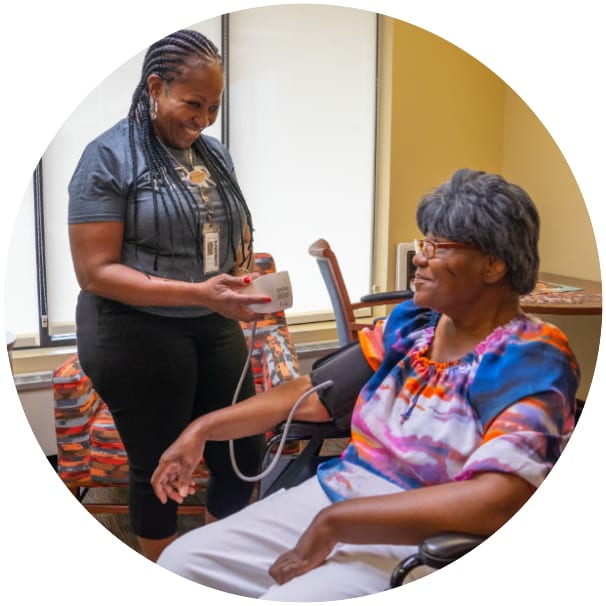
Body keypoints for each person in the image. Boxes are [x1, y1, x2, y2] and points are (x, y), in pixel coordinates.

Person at [151, 168, 579, 601]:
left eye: (437, 246)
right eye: (422, 243)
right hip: (342, 490)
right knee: (181, 565)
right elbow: (314, 394)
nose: (419, 257)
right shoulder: (413, 325)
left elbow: (499, 499)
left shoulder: (531, 356)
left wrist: (337, 523)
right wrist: (200, 430)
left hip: (423, 528)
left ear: (494, 264)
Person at [67, 29, 273, 562]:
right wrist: (198, 292)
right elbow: (95, 272)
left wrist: (241, 274)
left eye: (213, 106)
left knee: (241, 447)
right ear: (155, 87)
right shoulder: (107, 157)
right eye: (192, 103)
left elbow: (225, 232)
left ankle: (213, 564)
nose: (203, 118)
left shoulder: (214, 154)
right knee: (161, 459)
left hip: (208, 314)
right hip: (130, 325)